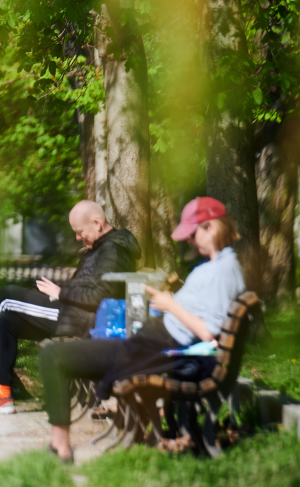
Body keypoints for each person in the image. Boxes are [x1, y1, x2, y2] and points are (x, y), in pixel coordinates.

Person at [34, 197, 246, 460]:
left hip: (157, 349)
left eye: (192, 234)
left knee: (53, 356)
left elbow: (208, 333)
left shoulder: (221, 271)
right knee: (57, 354)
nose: (189, 241)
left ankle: (60, 448)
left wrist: (171, 305)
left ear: (211, 227)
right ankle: (59, 445)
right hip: (153, 343)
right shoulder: (220, 266)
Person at [0, 200, 139, 411]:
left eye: (80, 231)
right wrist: (58, 291)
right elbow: (88, 286)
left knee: (8, 295)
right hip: (72, 314)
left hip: (81, 322)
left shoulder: (112, 250)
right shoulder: (101, 247)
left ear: (97, 223)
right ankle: (2, 394)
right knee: (6, 321)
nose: (77, 237)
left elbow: (102, 295)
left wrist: (60, 293)